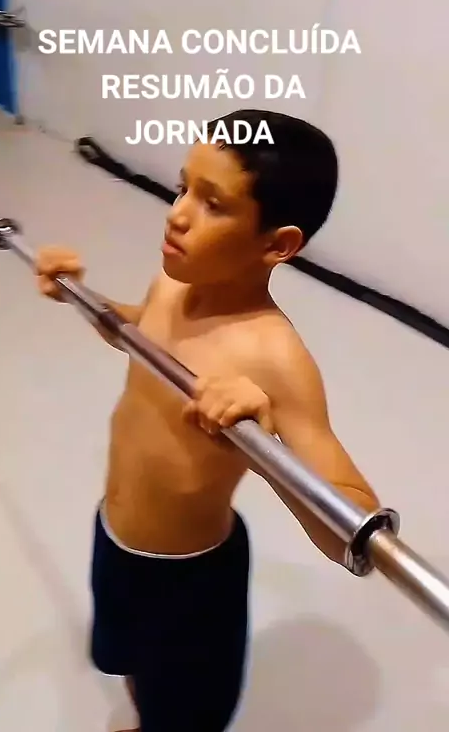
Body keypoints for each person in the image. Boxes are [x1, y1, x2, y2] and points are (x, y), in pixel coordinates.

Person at [34, 109, 380, 732]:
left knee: (186, 714)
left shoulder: (274, 358)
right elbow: (140, 333)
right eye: (183, 188)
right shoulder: (174, 284)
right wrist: (83, 299)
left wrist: (264, 447)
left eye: (213, 204)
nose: (177, 214)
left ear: (278, 245)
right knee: (134, 669)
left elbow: (353, 530)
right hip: (116, 538)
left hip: (187, 580)